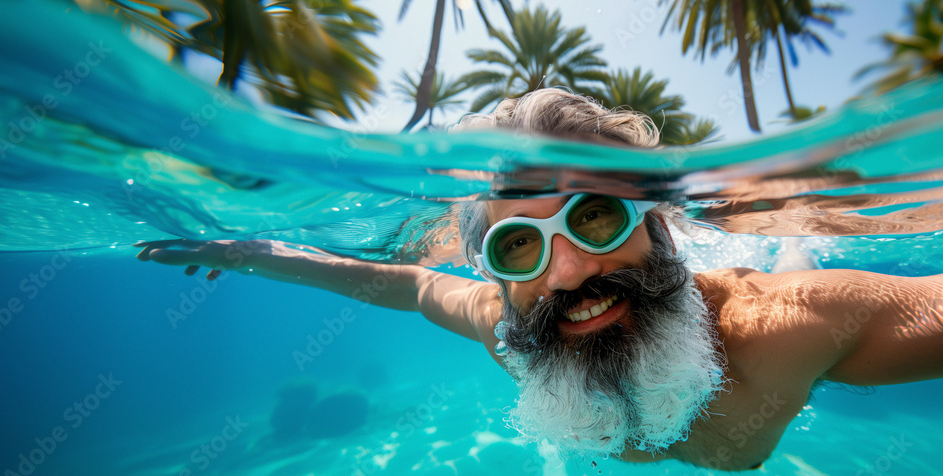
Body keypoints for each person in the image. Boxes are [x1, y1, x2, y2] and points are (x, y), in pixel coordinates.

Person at [135, 89, 943, 471]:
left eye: (596, 217)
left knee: (793, 253)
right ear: (493, 274)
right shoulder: (507, 327)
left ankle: (795, 243)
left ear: (660, 225)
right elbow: (402, 285)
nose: (568, 272)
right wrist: (260, 255)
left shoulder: (791, 327)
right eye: (520, 246)